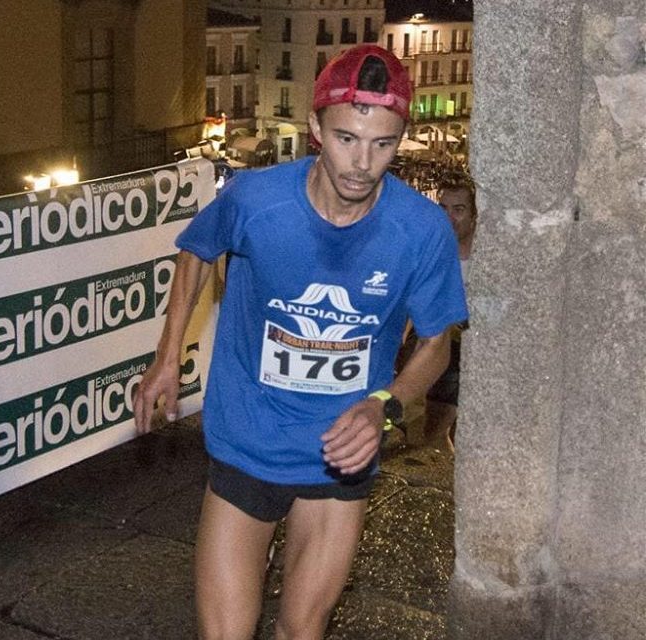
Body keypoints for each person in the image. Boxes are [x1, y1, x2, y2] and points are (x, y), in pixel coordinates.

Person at [133, 44, 468, 640]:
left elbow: (438, 341)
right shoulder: (255, 199)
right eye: (346, 138)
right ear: (315, 127)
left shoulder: (421, 228)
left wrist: (383, 406)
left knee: (301, 631)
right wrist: (166, 359)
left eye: (383, 144)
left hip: (339, 454)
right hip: (248, 441)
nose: (363, 163)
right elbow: (196, 251)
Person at [422, 177, 477, 451]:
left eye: (459, 209)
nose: (449, 217)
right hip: (447, 346)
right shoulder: (434, 252)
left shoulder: (489, 254)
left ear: (474, 214)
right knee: (436, 423)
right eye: (443, 208)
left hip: (481, 348)